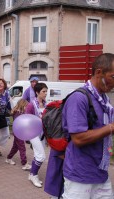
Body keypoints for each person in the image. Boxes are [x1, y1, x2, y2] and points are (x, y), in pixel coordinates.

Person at [61, 53, 114, 198]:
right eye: (113, 77)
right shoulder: (79, 98)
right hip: (80, 175)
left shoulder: (104, 101)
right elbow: (78, 138)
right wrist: (110, 127)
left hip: (101, 173)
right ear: (99, 73)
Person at [25, 82, 48, 188]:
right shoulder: (31, 105)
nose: (45, 93)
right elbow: (26, 120)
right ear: (37, 92)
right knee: (41, 156)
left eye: (46, 91)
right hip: (33, 133)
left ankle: (32, 174)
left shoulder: (46, 104)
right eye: (43, 91)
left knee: (37, 155)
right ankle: (34, 175)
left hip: (43, 134)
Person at [5, 99, 32, 170]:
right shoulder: (18, 113)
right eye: (26, 106)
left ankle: (8, 158)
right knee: (22, 147)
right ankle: (24, 163)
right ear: (22, 105)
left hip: (18, 132)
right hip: (18, 132)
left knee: (15, 147)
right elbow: (19, 123)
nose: (27, 107)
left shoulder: (20, 112)